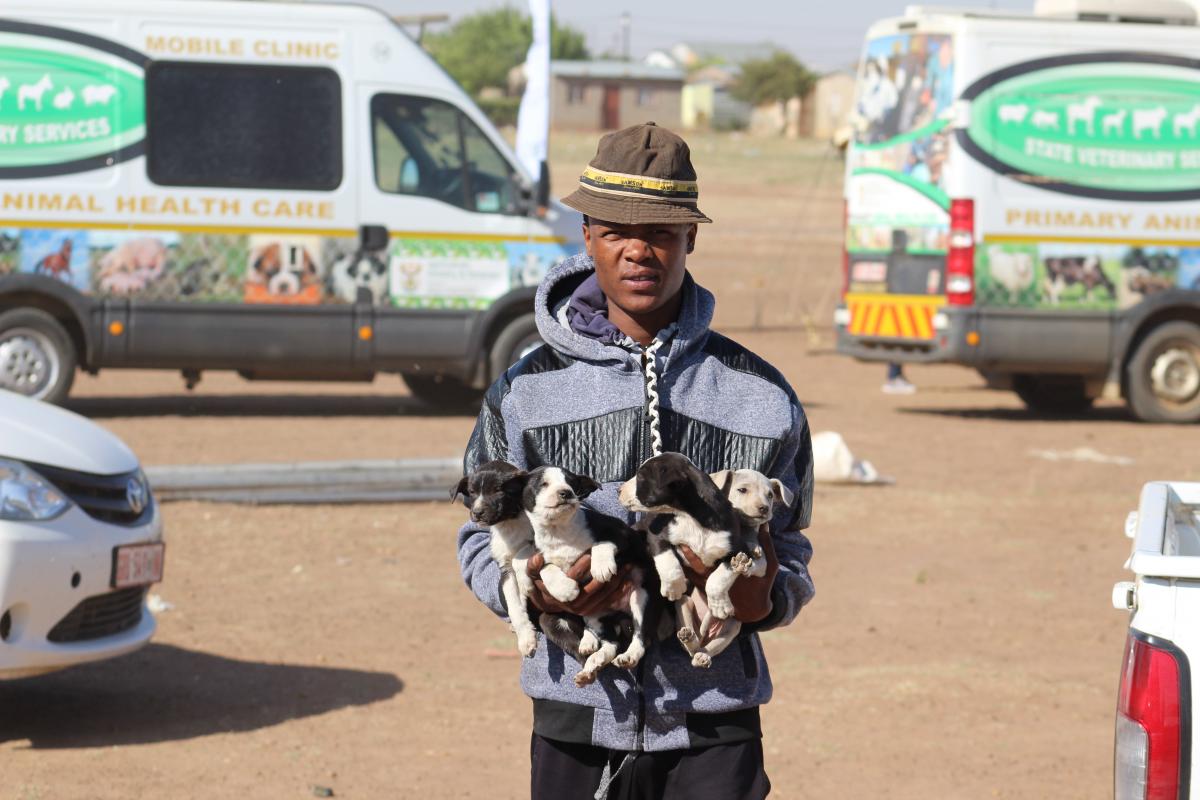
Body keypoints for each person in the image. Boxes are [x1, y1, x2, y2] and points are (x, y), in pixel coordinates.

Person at [456, 122, 815, 800]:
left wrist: (761, 597)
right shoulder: (525, 393)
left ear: (691, 238)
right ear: (587, 233)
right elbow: (480, 540)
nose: (638, 251)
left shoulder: (760, 396)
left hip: (716, 727)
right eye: (617, 230)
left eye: (660, 231)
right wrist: (533, 583)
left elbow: (791, 549)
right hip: (576, 718)